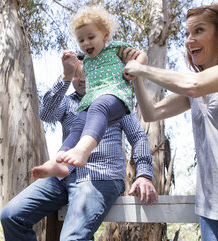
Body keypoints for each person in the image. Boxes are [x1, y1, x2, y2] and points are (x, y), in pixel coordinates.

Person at [120, 2, 218, 241]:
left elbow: (195, 84)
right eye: (186, 34)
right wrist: (136, 77)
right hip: (212, 211)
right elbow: (152, 112)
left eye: (199, 31)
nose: (189, 40)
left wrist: (142, 68)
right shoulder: (197, 84)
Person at [0, 50, 158, 241]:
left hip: (100, 176)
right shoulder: (68, 103)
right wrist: (65, 76)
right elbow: (46, 113)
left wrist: (143, 174)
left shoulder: (115, 101)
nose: (81, 79)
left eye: (86, 73)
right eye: (76, 74)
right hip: (62, 176)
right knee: (11, 216)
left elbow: (137, 136)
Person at [32, 5, 147, 178]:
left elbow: (141, 56)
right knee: (78, 126)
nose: (86, 43)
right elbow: (47, 112)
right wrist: (68, 68)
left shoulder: (115, 50)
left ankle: (83, 151)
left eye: (91, 37)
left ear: (105, 35)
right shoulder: (87, 64)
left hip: (114, 97)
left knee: (98, 107)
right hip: (91, 102)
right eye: (81, 40)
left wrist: (135, 68)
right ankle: (58, 162)